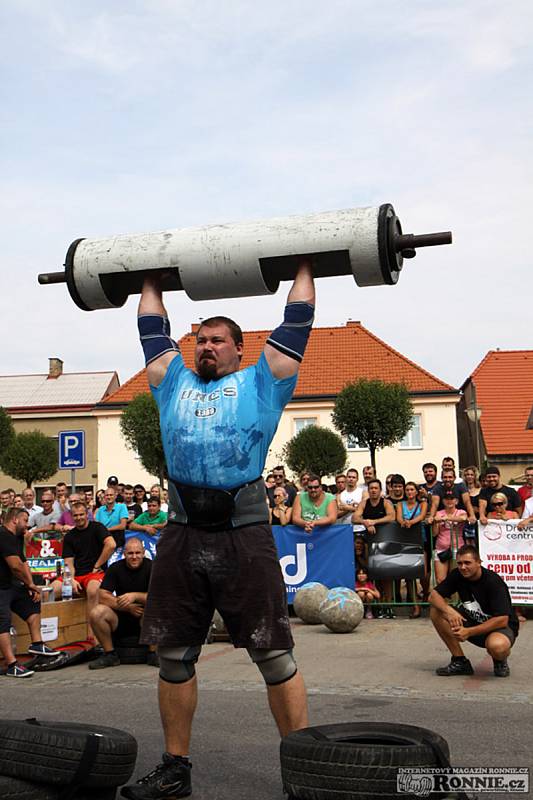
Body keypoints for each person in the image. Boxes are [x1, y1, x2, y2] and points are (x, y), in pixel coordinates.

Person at [121, 260, 315, 800]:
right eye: (199, 339)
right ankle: (175, 770)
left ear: (238, 348)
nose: (205, 346)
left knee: (273, 654)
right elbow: (150, 329)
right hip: (182, 534)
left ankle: (302, 770)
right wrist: (152, 281)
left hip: (243, 534)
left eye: (216, 340)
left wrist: (304, 264)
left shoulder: (264, 380)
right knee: (173, 655)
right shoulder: (171, 382)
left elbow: (298, 320)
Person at [429, 545, 519, 677]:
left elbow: (502, 619)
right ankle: (460, 661)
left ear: (479, 563)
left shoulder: (493, 582)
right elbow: (433, 596)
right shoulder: (457, 575)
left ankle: (499, 660)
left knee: (497, 646)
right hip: (471, 620)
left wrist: (469, 632)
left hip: (498, 627)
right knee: (436, 611)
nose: (463, 567)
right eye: (459, 563)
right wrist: (449, 611)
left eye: (467, 563)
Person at [0, 508, 59, 677]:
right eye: (25, 520)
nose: (27, 525)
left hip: (10, 584)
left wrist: (31, 586)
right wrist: (30, 584)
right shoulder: (3, 535)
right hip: (0, 587)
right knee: (3, 621)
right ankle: (12, 665)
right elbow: (15, 566)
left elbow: (23, 563)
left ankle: (37, 643)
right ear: (14, 520)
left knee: (32, 601)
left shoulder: (17, 537)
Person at [51, 502, 116, 640]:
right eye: (76, 515)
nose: (79, 517)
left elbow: (111, 544)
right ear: (72, 517)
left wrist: (97, 565)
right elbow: (68, 562)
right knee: (50, 591)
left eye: (81, 514)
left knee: (93, 590)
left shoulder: (97, 527)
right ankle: (51, 635)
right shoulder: (69, 536)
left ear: (87, 514)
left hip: (95, 573)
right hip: (77, 575)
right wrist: (71, 579)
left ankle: (92, 636)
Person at [89, 537, 154, 670]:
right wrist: (128, 607)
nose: (134, 557)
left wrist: (135, 596)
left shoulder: (152, 567)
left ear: (143, 552)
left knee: (158, 609)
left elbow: (160, 597)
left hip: (145, 618)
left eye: (137, 553)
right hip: (120, 617)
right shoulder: (115, 568)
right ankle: (110, 654)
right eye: (130, 553)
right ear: (124, 554)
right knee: (96, 613)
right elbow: (102, 596)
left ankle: (153, 653)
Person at [352, 479, 396, 619]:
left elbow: (391, 516)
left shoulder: (386, 503)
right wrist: (365, 521)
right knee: (373, 575)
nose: (373, 490)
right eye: (371, 488)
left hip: (385, 543)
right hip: (369, 543)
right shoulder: (364, 503)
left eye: (376, 488)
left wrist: (374, 522)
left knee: (386, 577)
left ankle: (388, 607)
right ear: (368, 490)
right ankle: (375, 607)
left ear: (380, 490)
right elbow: (354, 517)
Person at [397, 481, 427, 618]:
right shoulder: (400, 504)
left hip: (419, 540)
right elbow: (398, 517)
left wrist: (410, 522)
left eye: (411, 490)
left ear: (416, 492)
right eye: (407, 490)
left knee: (423, 573)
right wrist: (403, 522)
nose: (409, 492)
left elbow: (421, 517)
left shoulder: (422, 504)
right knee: (409, 575)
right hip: (405, 540)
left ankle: (426, 597)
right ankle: (415, 606)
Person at [432, 490, 467, 583]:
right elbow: (434, 533)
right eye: (447, 499)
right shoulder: (439, 513)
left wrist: (447, 518)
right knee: (440, 579)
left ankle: (457, 598)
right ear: (443, 501)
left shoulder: (461, 512)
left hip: (457, 548)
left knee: (456, 578)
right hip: (441, 548)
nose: (449, 501)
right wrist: (435, 522)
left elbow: (463, 518)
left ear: (456, 501)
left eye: (452, 499)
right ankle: (443, 598)